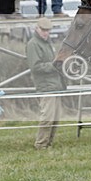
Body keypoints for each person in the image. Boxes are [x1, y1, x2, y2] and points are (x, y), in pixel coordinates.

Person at [26, 17, 66, 149]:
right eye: (43, 30)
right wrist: (54, 66)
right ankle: (41, 144)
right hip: (45, 86)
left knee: (55, 118)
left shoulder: (47, 43)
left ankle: (48, 143)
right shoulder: (33, 44)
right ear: (37, 28)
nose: (46, 33)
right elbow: (35, 67)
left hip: (56, 85)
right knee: (47, 117)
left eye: (48, 30)